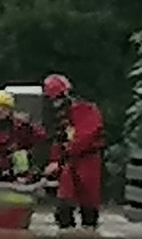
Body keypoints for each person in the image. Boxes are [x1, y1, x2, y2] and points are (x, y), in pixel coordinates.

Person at [42, 73, 106, 230]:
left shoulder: (85, 110)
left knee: (88, 200)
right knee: (64, 201)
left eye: (58, 98)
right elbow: (58, 140)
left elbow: (86, 137)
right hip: (70, 161)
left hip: (87, 159)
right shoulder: (59, 116)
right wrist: (55, 161)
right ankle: (67, 231)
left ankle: (88, 229)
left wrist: (63, 154)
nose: (55, 103)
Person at [0, 90, 47, 182]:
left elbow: (40, 136)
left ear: (10, 110)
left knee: (21, 154)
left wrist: (27, 125)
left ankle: (21, 177)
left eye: (3, 108)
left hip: (13, 174)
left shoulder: (19, 128)